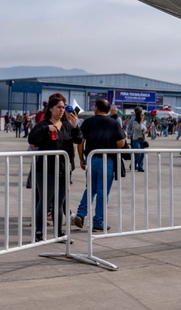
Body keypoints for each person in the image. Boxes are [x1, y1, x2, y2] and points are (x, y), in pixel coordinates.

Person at [28, 93, 82, 241]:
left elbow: (78, 139)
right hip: (45, 170)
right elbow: (31, 139)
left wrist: (75, 125)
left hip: (64, 170)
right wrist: (46, 130)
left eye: (63, 108)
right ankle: (38, 232)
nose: (61, 110)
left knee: (60, 202)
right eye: (58, 107)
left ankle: (58, 232)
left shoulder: (67, 126)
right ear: (51, 109)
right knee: (44, 201)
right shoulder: (43, 125)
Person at [73, 98, 126, 232]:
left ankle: (81, 213)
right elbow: (121, 142)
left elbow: (80, 142)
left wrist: (81, 158)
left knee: (90, 188)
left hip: (91, 158)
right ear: (108, 110)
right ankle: (98, 221)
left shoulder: (87, 122)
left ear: (96, 108)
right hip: (106, 160)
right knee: (103, 192)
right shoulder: (114, 123)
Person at [128, 107, 147, 172]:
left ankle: (140, 167)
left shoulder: (143, 121)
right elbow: (139, 128)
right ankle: (133, 165)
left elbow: (145, 129)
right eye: (142, 114)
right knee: (137, 153)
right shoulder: (134, 120)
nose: (143, 116)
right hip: (135, 138)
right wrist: (129, 134)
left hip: (142, 139)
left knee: (142, 154)